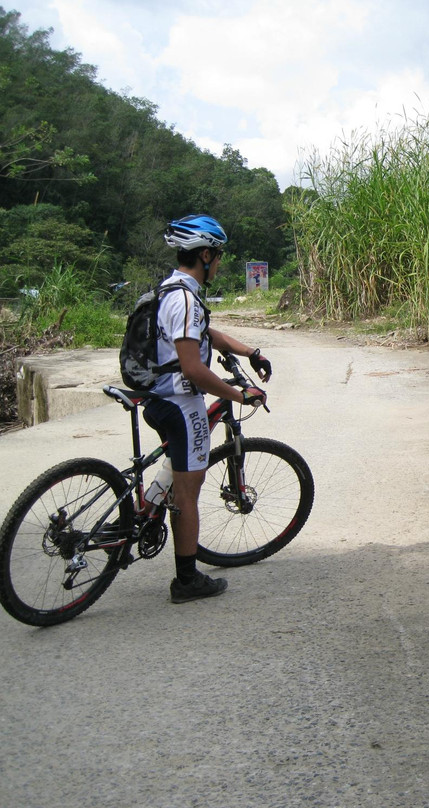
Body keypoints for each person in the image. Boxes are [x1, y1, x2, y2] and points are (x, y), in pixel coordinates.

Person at [143, 214, 273, 604]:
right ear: (204, 255)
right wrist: (241, 395)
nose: (219, 263)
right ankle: (186, 581)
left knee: (175, 468)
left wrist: (250, 351)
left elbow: (206, 335)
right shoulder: (186, 299)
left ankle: (143, 511)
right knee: (188, 491)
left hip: (155, 396)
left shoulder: (170, 290)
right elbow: (194, 369)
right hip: (180, 404)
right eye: (217, 256)